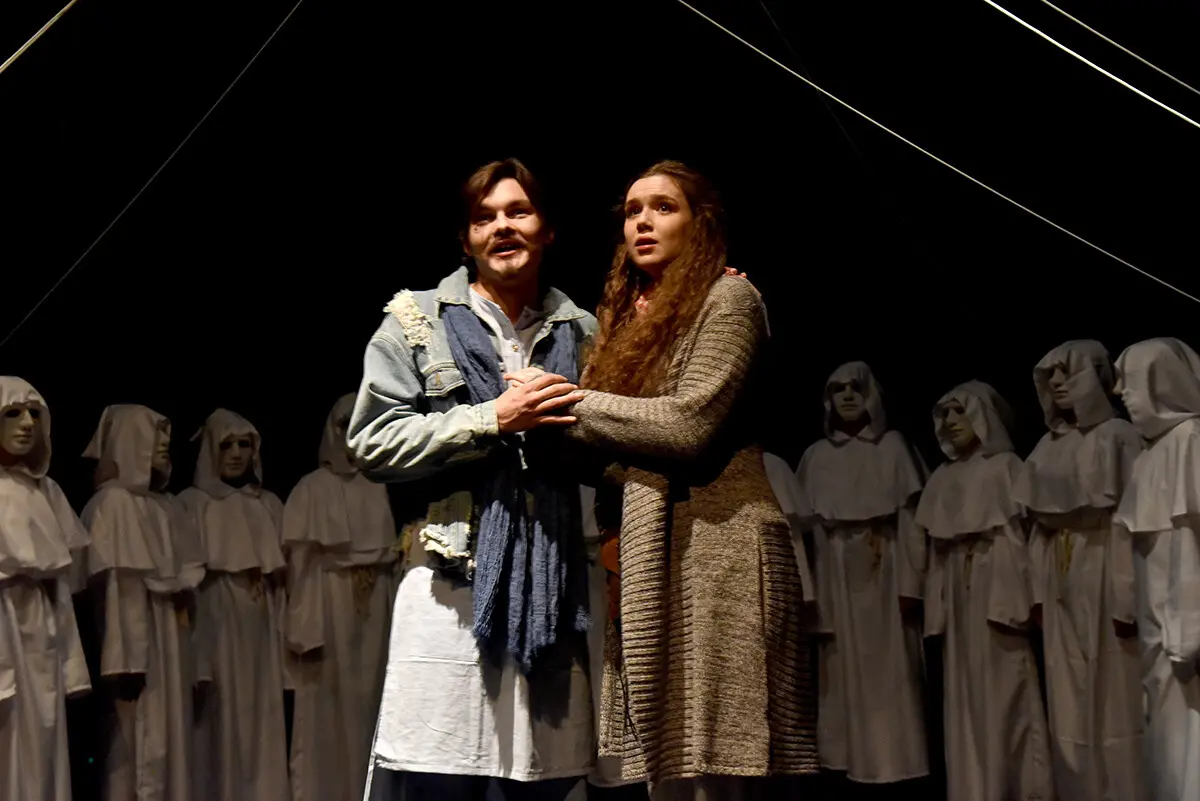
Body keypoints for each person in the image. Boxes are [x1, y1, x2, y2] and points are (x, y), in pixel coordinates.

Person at [555, 161, 818, 798]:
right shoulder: (625, 323)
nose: (642, 221)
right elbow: (604, 447)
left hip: (720, 550)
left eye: (663, 207)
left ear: (700, 223)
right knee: (670, 768)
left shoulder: (729, 300)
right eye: (631, 210)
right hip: (650, 549)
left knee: (722, 764)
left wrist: (567, 404)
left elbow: (688, 425)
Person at [349, 158, 597, 801]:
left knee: (545, 782)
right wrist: (492, 419)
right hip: (449, 584)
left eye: (519, 211)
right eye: (484, 218)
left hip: (551, 583)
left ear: (547, 230)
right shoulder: (416, 319)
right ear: (466, 240)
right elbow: (372, 441)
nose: (502, 227)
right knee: (440, 776)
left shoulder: (584, 332)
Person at [1015, 341, 1145, 801]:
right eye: (1049, 375)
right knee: (1067, 693)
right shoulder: (1045, 447)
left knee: (1114, 691)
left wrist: (1128, 599)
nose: (1055, 383)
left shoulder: (1118, 437)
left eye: (1066, 372)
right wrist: (1035, 593)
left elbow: (1132, 522)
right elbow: (1038, 527)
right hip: (1060, 572)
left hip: (1104, 560)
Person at [81, 404, 206, 801]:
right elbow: (116, 592)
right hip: (137, 654)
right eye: (154, 438)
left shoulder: (166, 506)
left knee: (172, 743)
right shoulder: (113, 505)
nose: (164, 446)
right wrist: (122, 663)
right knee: (133, 749)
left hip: (170, 648)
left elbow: (185, 586)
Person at [283, 394, 399, 801]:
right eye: (343, 424)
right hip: (329, 604)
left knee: (372, 700)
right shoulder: (312, 488)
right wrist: (303, 628)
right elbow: (299, 567)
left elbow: (390, 554)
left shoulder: (377, 483)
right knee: (328, 705)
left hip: (375, 605)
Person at [181, 409, 290, 801]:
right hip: (215, 618)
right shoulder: (193, 504)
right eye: (227, 445)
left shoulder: (268, 504)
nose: (237, 454)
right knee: (221, 715)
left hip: (260, 623)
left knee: (261, 713)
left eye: (245, 445)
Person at [1112, 338, 1200, 801]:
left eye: (1130, 380)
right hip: (1157, 629)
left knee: (1188, 743)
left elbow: (1190, 541)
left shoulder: (1190, 441)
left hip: (1182, 631)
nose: (1120, 391)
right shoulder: (1152, 453)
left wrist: (1188, 633)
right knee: (1166, 744)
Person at [0, 376, 92, 801]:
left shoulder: (47, 491)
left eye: (34, 414)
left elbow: (61, 586)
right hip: (4, 628)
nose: (26, 423)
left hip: (40, 634)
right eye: (13, 413)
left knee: (41, 745)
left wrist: (73, 666)